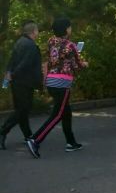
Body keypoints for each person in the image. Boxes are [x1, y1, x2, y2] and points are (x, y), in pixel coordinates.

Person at [26, 18, 88, 158]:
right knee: (58, 114)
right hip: (62, 83)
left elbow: (54, 59)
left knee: (66, 112)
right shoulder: (70, 45)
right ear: (66, 29)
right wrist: (84, 64)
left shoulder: (50, 42)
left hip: (51, 81)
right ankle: (35, 140)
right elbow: (77, 65)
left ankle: (71, 142)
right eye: (70, 27)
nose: (71, 30)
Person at [0, 20, 43, 149]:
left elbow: (12, 60)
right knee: (22, 109)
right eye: (37, 31)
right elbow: (25, 64)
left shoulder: (19, 42)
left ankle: (28, 136)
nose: (38, 33)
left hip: (16, 81)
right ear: (33, 32)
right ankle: (2, 131)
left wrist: (9, 74)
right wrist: (13, 74)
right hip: (24, 82)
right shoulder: (31, 45)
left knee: (22, 109)